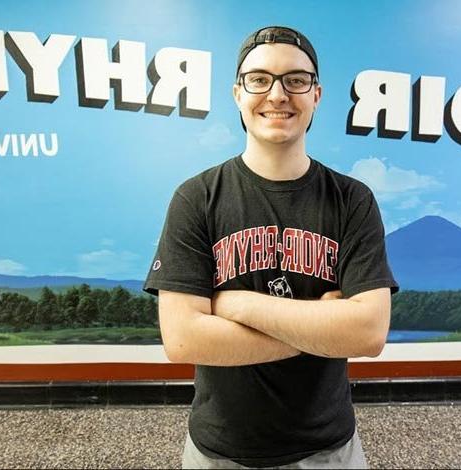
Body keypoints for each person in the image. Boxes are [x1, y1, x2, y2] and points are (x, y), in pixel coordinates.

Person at [144, 25, 398, 469]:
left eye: (296, 80)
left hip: (329, 451)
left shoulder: (352, 199)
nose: (278, 94)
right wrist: (320, 327)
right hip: (220, 452)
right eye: (260, 80)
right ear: (237, 94)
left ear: (316, 95)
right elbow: (183, 340)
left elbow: (367, 334)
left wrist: (237, 305)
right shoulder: (197, 197)